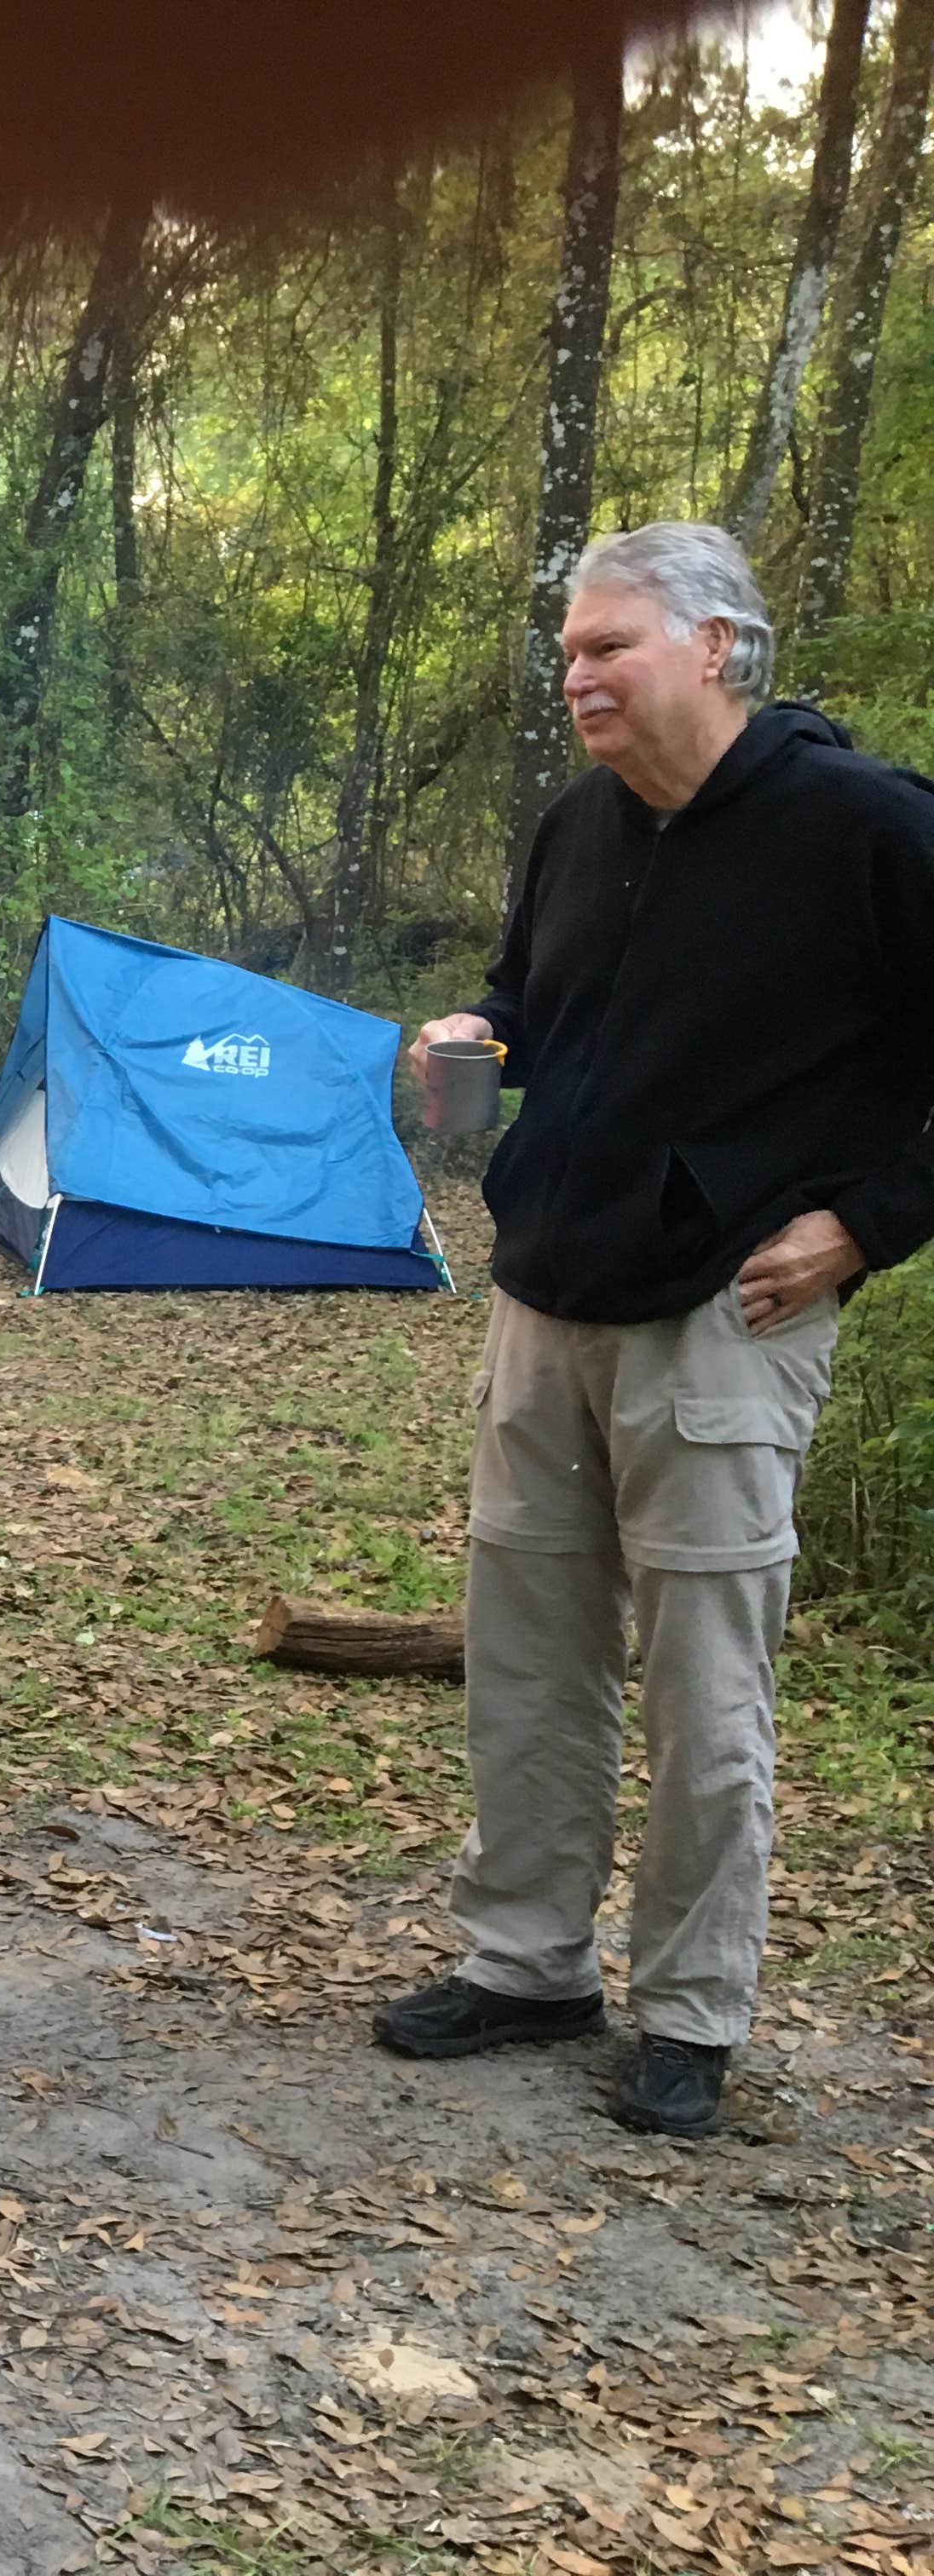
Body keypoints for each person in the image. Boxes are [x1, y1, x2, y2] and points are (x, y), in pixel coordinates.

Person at [372, 523, 934, 2138]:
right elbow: (531, 999)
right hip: (549, 1292)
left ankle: (694, 2009)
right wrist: (480, 1030)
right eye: (567, 651)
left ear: (716, 647)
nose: (577, 676)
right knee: (531, 1661)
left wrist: (870, 1223)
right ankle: (528, 1960)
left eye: (609, 646)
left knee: (706, 1683)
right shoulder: (578, 826)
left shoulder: (865, 827)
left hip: (727, 1313)